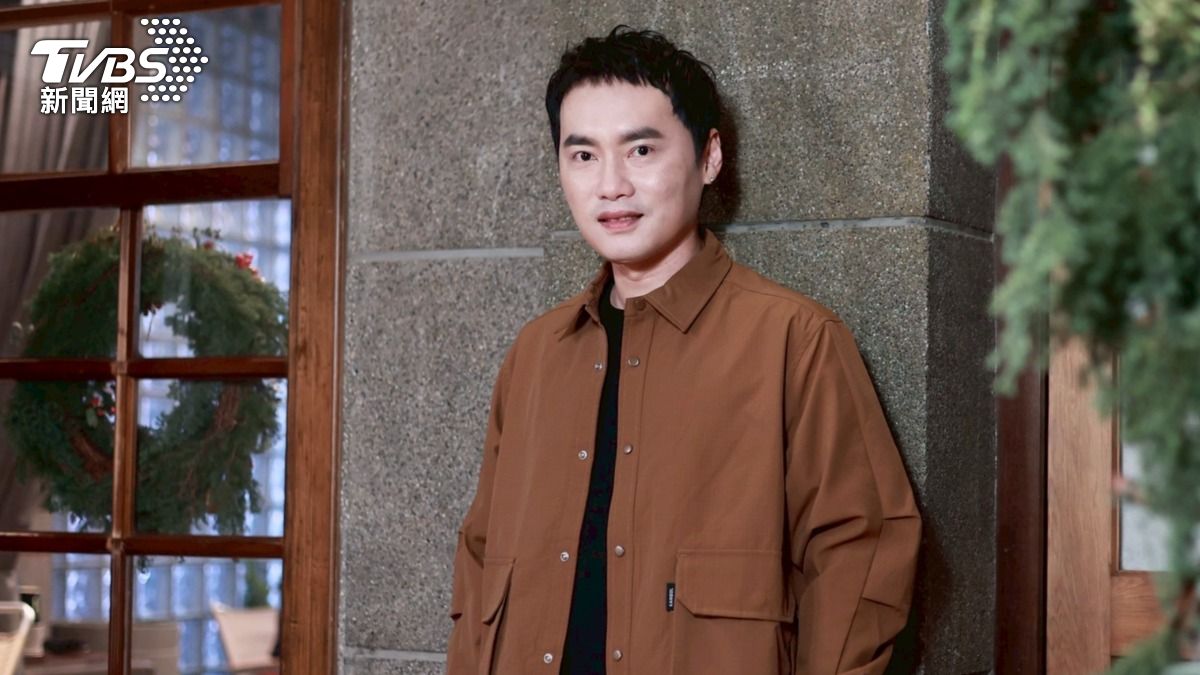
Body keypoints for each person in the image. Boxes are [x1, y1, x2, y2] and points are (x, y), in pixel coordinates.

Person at [447, 24, 922, 675]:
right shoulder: (535, 354)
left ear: (709, 158)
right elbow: (479, 565)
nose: (611, 185)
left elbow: (861, 556)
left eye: (640, 149)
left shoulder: (794, 340)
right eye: (582, 155)